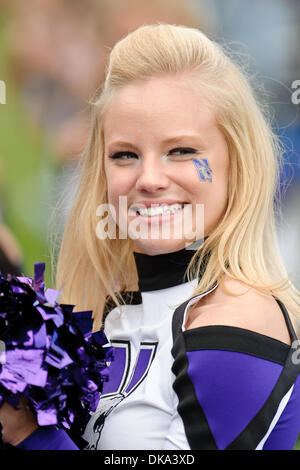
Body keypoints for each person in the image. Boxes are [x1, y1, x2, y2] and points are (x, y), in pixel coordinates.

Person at [1, 23, 300, 450]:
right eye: (125, 154)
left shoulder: (239, 317)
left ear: (237, 161)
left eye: (182, 151)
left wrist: (29, 433)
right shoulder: (110, 310)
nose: (150, 179)